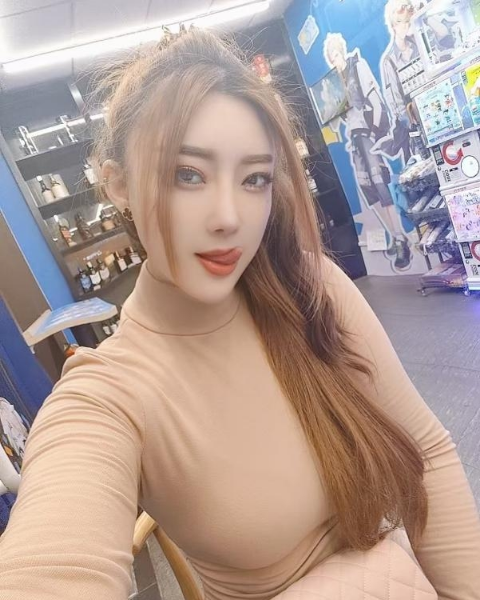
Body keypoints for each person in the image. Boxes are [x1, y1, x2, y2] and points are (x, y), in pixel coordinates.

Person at [0, 29, 479, 600]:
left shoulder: (312, 288)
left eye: (254, 179)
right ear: (117, 184)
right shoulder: (107, 397)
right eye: (188, 174)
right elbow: (50, 563)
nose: (229, 217)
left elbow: (426, 454)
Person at [323, 32, 412, 270]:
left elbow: (374, 96)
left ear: (341, 51)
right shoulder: (334, 84)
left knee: (379, 182)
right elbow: (334, 123)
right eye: (331, 56)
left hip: (368, 130)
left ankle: (401, 240)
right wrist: (328, 102)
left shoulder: (357, 66)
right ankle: (395, 235)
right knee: (368, 189)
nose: (334, 58)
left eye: (335, 53)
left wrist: (376, 131)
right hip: (354, 136)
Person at [379, 0, 420, 163]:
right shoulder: (389, 60)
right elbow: (396, 105)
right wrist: (414, 126)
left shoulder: (419, 44)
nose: (404, 25)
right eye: (399, 22)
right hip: (415, 127)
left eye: (407, 20)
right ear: (393, 25)